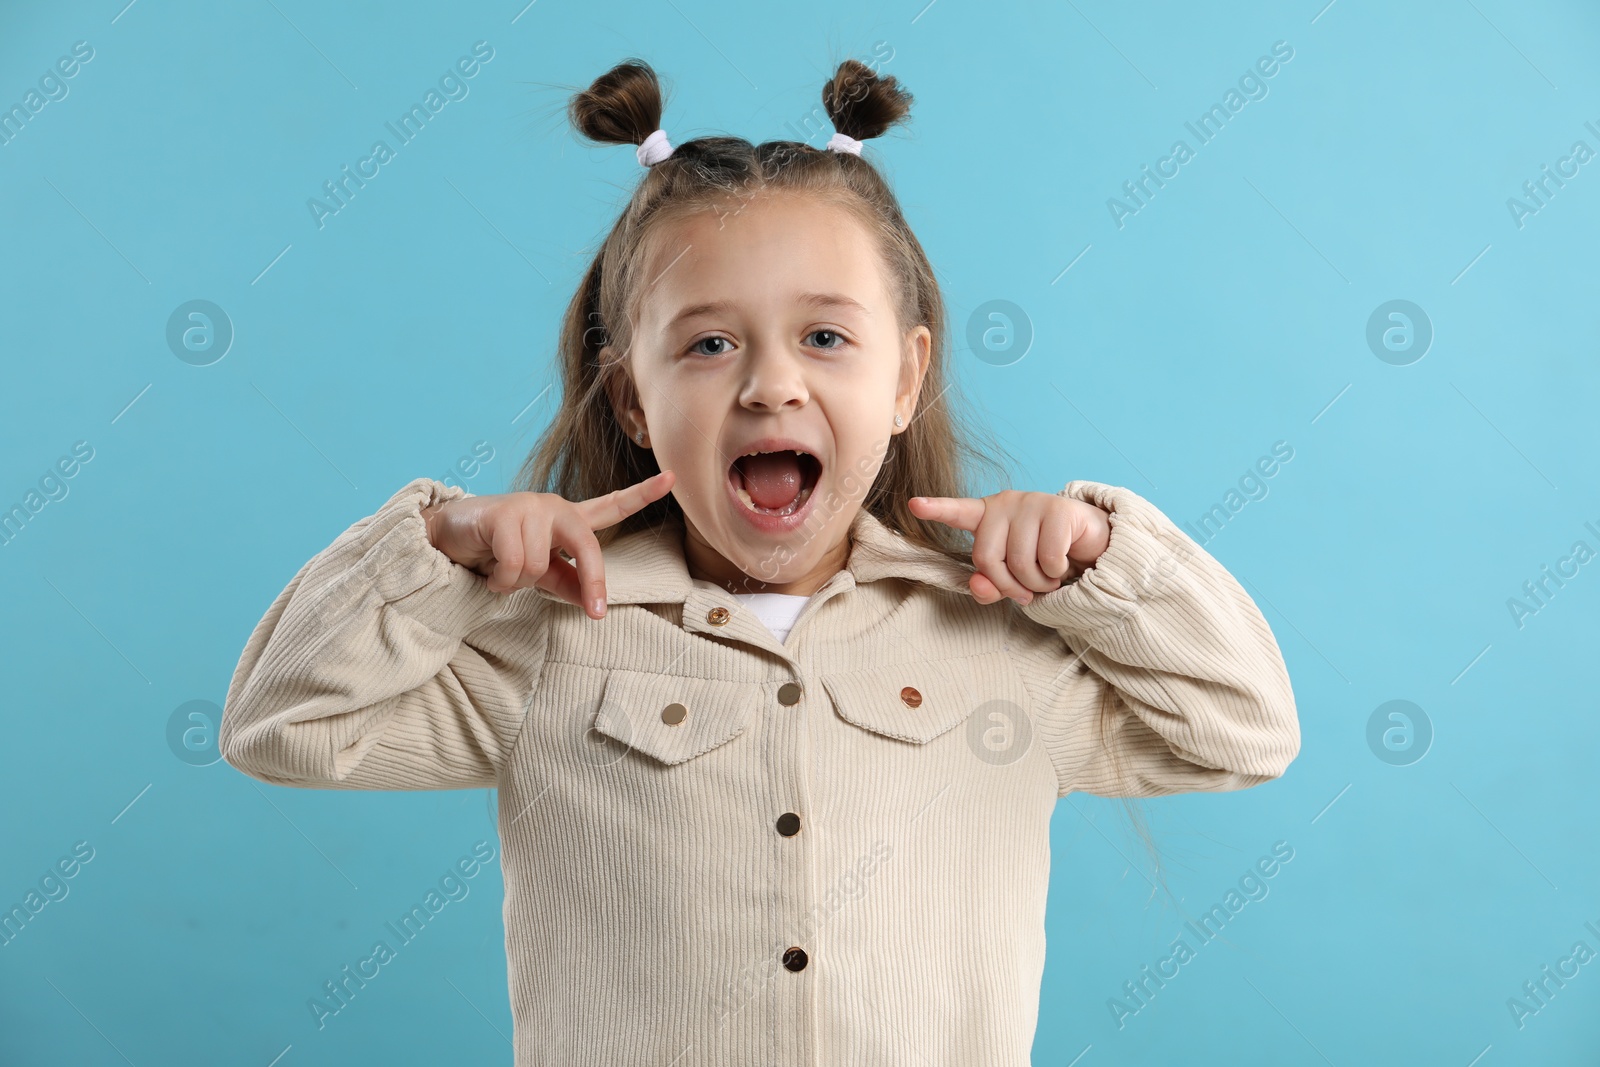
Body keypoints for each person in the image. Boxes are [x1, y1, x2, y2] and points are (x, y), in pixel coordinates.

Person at [220, 55, 1300, 1066]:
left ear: (903, 377)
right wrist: (430, 549)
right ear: (634, 396)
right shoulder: (552, 638)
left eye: (825, 337)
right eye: (708, 342)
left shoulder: (1000, 640)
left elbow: (1243, 729)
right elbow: (282, 726)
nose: (770, 386)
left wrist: (1105, 564)